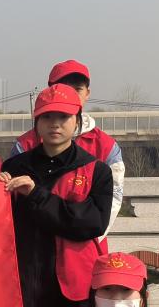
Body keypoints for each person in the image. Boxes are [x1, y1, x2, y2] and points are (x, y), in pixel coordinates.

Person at [0, 84, 113, 307]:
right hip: (25, 286)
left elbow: (90, 223)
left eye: (63, 117)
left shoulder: (96, 170)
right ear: (36, 123)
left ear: (77, 121)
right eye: (47, 117)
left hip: (73, 289)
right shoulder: (15, 167)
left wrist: (36, 195)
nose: (55, 124)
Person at [12, 60, 124, 233]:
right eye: (63, 88)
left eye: (77, 89)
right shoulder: (23, 146)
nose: (68, 94)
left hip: (85, 244)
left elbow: (112, 202)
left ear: (87, 93)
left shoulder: (106, 146)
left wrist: (86, 237)